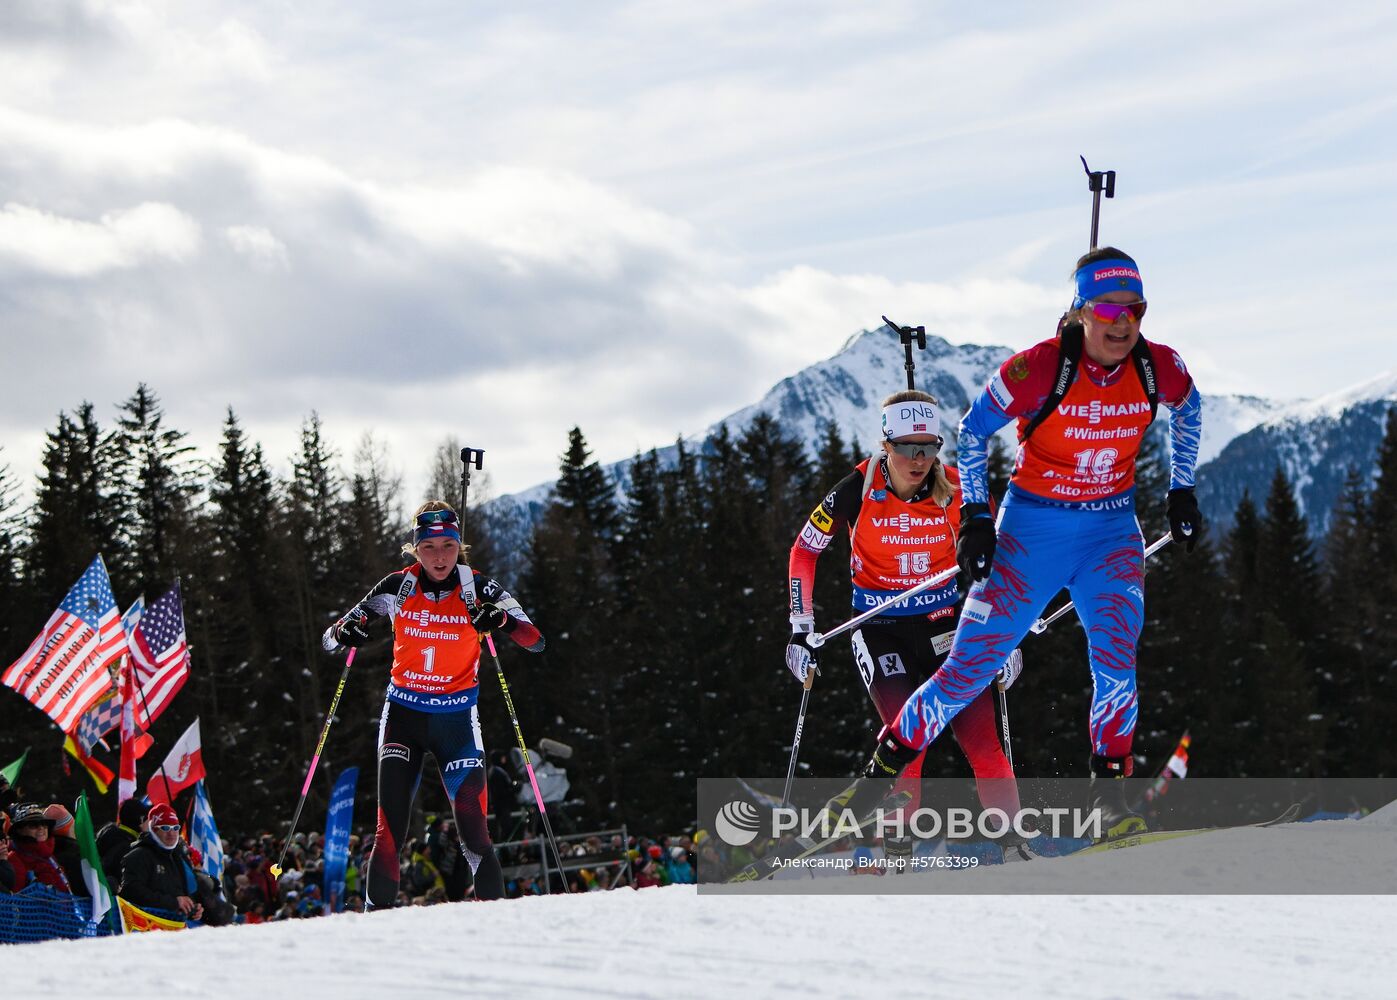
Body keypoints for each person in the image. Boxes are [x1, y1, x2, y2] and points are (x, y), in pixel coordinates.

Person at [853, 247, 1201, 838]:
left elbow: (1190, 408)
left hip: (1110, 531)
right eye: (1107, 309)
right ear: (1079, 311)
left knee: (1117, 664)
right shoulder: (1038, 368)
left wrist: (1182, 490)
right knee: (969, 669)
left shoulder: (1157, 366)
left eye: (1134, 310)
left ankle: (1111, 807)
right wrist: (977, 518)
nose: (1122, 323)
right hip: (1032, 529)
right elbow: (970, 432)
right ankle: (879, 775)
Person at [787, 390, 1025, 857]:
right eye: (906, 448)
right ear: (885, 444)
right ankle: (899, 856)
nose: (918, 460)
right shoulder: (855, 488)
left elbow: (1004, 563)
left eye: (929, 447)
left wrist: (1007, 636)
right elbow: (803, 551)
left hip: (947, 626)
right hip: (879, 630)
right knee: (905, 747)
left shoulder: (959, 491)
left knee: (984, 744)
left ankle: (1017, 848)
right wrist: (800, 628)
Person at [322, 499, 545, 906]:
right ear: (415, 549)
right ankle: (376, 925)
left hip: (456, 721)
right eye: (429, 547)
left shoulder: (479, 588)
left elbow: (534, 639)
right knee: (389, 831)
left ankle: (498, 927)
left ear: (459, 546)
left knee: (475, 833)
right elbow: (331, 636)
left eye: (448, 547)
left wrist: (500, 620)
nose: (439, 557)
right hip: (403, 717)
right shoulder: (397, 586)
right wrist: (346, 631)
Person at [120, 803, 206, 924]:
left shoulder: (179, 856)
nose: (171, 833)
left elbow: (182, 893)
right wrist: (174, 903)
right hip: (144, 929)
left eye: (176, 828)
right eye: (165, 828)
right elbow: (131, 892)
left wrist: (191, 908)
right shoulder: (138, 855)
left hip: (173, 927)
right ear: (154, 830)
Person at [6, 802, 72, 892]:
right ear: (20, 830)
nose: (41, 828)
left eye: (44, 824)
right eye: (33, 825)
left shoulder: (49, 855)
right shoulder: (13, 859)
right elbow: (17, 899)